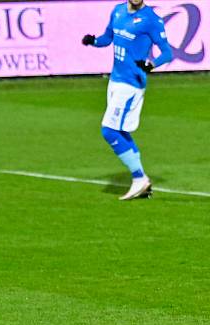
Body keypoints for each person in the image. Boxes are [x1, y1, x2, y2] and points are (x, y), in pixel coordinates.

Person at [82, 0, 173, 200]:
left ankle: (139, 178)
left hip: (131, 82)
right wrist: (93, 41)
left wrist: (152, 64)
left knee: (109, 130)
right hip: (115, 80)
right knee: (120, 130)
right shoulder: (118, 11)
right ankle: (143, 183)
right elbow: (107, 38)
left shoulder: (151, 20)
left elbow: (168, 52)